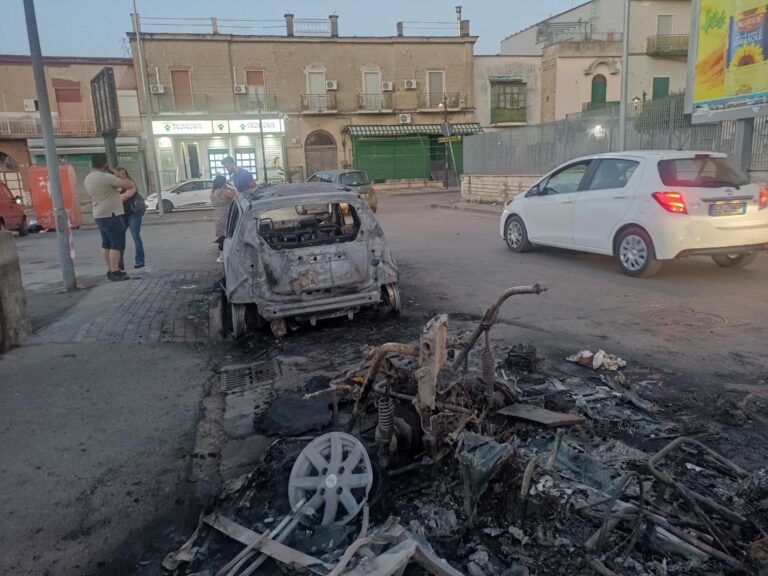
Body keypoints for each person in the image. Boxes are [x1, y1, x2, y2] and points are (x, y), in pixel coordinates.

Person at [84, 153, 135, 281]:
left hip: (99, 214)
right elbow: (129, 184)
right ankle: (115, 271)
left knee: (106, 243)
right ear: (105, 163)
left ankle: (109, 270)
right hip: (111, 214)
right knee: (116, 243)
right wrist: (114, 172)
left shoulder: (88, 178)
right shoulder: (106, 177)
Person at [115, 166, 146, 270]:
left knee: (135, 236)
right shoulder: (114, 187)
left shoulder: (131, 184)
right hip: (122, 214)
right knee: (119, 237)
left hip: (133, 213)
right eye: (119, 175)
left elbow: (125, 197)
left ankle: (140, 260)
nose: (122, 177)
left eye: (123, 174)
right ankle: (120, 263)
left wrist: (115, 198)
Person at [211, 174, 236, 263]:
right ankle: (223, 256)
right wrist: (229, 187)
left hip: (218, 216)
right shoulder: (224, 191)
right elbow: (234, 195)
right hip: (226, 215)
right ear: (223, 182)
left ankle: (221, 255)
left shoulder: (213, 192)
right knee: (227, 236)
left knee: (222, 235)